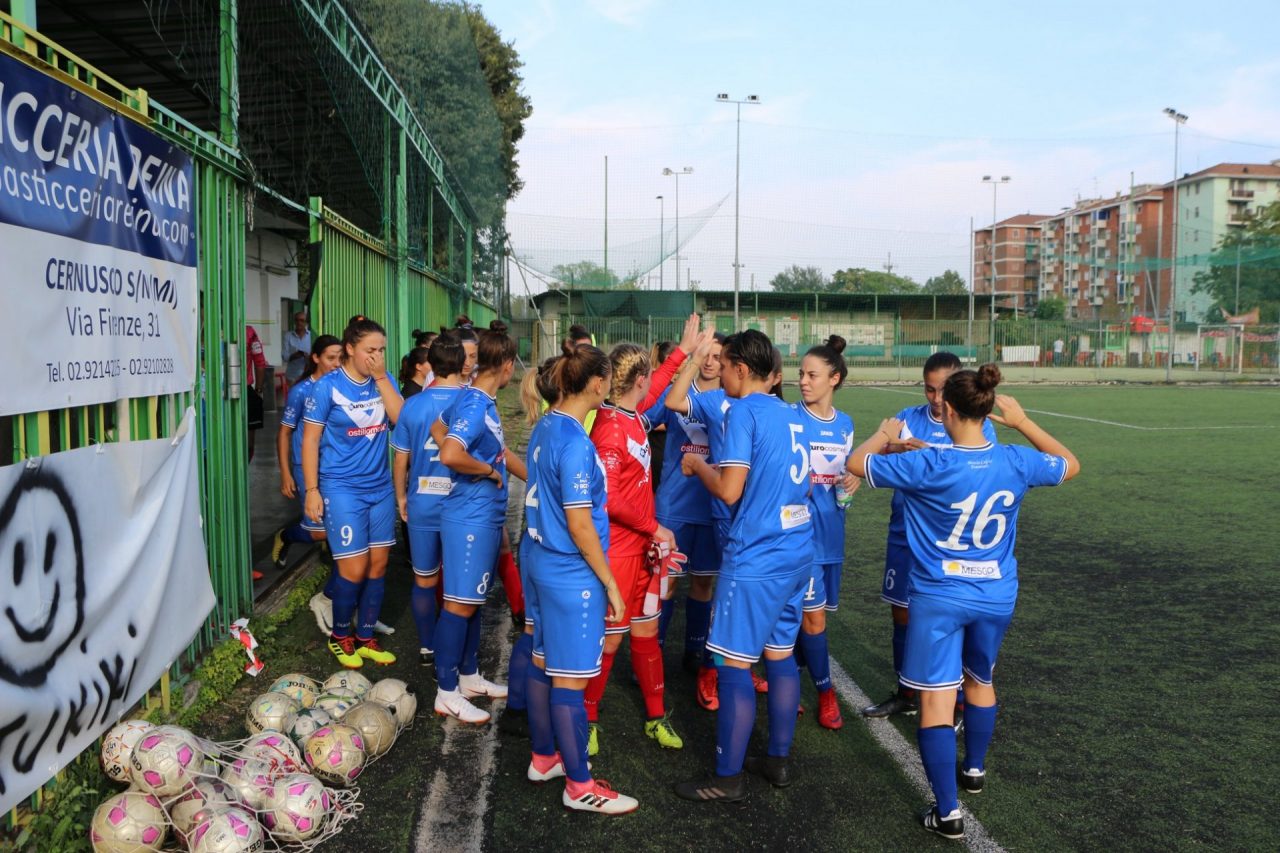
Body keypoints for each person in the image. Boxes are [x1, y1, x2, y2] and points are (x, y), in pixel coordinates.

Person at [848, 365, 1078, 839]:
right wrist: (1024, 423)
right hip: (996, 594)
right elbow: (1069, 464)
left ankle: (947, 813)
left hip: (939, 596)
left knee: (935, 702)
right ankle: (973, 769)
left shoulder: (929, 462)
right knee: (980, 679)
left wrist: (882, 434)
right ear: (990, 409)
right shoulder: (1015, 459)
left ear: (948, 410)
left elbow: (855, 464)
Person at [674, 330, 814, 802]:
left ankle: (726, 778)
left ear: (738, 367)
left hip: (757, 554)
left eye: (726, 364)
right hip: (798, 548)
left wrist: (698, 469)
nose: (722, 373)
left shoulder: (744, 412)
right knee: (779, 655)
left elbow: (730, 490)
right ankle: (777, 760)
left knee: (733, 664)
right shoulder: (792, 413)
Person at [522, 343, 639, 814]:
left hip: (542, 564)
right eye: (607, 378)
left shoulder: (547, 425)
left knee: (541, 662)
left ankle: (544, 756)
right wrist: (610, 582)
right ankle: (579, 786)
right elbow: (579, 521)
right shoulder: (573, 441)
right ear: (596, 383)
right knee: (569, 681)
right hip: (571, 573)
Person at [582, 337, 702, 756]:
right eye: (648, 374)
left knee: (647, 634)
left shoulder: (630, 414)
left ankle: (655, 717)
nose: (653, 381)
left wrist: (684, 351)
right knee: (611, 641)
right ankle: (588, 720)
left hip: (642, 550)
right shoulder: (612, 429)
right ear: (637, 379)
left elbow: (657, 391)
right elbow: (610, 498)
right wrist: (656, 527)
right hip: (619, 552)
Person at [861, 352, 997, 721]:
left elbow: (983, 469)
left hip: (950, 546)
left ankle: (953, 700)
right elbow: (877, 456)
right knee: (902, 613)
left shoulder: (976, 423)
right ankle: (907, 692)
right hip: (906, 535)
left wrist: (932, 456)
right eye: (929, 389)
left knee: (948, 619)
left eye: (942, 391)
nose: (936, 399)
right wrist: (892, 446)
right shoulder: (906, 419)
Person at [664, 331, 769, 708]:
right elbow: (672, 401)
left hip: (743, 515)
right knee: (689, 589)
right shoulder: (711, 402)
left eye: (719, 358)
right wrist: (690, 355)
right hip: (706, 510)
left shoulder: (763, 407)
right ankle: (691, 663)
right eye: (710, 357)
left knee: (726, 591)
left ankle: (718, 663)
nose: (714, 363)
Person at [429, 328, 524, 723]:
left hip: (481, 517)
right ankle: (445, 692)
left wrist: (527, 475)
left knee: (471, 603)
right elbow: (450, 452)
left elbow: (437, 427)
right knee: (458, 605)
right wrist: (485, 470)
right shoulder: (473, 404)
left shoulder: (476, 397)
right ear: (504, 366)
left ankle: (468, 677)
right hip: (469, 517)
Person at [301, 317, 404, 668]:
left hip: (379, 489)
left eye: (381, 350)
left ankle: (364, 637)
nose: (377, 357)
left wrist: (380, 377)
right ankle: (341, 635)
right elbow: (310, 439)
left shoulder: (382, 380)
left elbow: (401, 419)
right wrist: (312, 490)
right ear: (350, 349)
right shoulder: (326, 387)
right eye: (370, 350)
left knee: (378, 567)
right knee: (354, 569)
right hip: (341, 488)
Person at [793, 336, 858, 730]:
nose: (802, 380)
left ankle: (788, 681)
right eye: (800, 373)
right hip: (801, 537)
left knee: (812, 620)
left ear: (833, 379)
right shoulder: (789, 418)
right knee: (812, 621)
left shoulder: (846, 424)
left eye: (811, 374)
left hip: (833, 533)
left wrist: (855, 479)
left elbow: (849, 471)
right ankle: (825, 693)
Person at [391, 332, 467, 670]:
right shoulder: (472, 402)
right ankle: (457, 649)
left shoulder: (414, 404)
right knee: (456, 582)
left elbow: (400, 459)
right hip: (461, 504)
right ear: (464, 364)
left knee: (424, 579)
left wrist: (401, 498)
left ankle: (427, 647)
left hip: (422, 501)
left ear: (431, 364)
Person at [273, 335, 342, 572]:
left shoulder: (342, 387)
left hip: (335, 466)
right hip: (306, 467)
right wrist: (286, 473)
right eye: (331, 358)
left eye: (341, 358)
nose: (337, 363)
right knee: (320, 530)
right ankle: (287, 536)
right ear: (315, 358)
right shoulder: (301, 391)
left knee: (338, 519)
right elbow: (284, 433)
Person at [647, 341, 676, 492]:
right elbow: (647, 419)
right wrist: (671, 423)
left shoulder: (671, 384)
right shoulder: (662, 386)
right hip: (657, 447)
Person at [245, 324, 269, 464]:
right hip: (246, 390)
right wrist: (259, 390)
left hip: (216, 391)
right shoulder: (248, 331)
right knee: (249, 440)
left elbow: (260, 362)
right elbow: (259, 361)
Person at [282, 311, 312, 386]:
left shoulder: (311, 336)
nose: (299, 322)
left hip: (308, 375)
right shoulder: (288, 336)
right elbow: (285, 357)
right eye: (297, 320)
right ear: (294, 321)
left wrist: (309, 357)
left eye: (302, 320)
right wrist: (295, 355)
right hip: (292, 376)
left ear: (306, 322)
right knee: (293, 397)